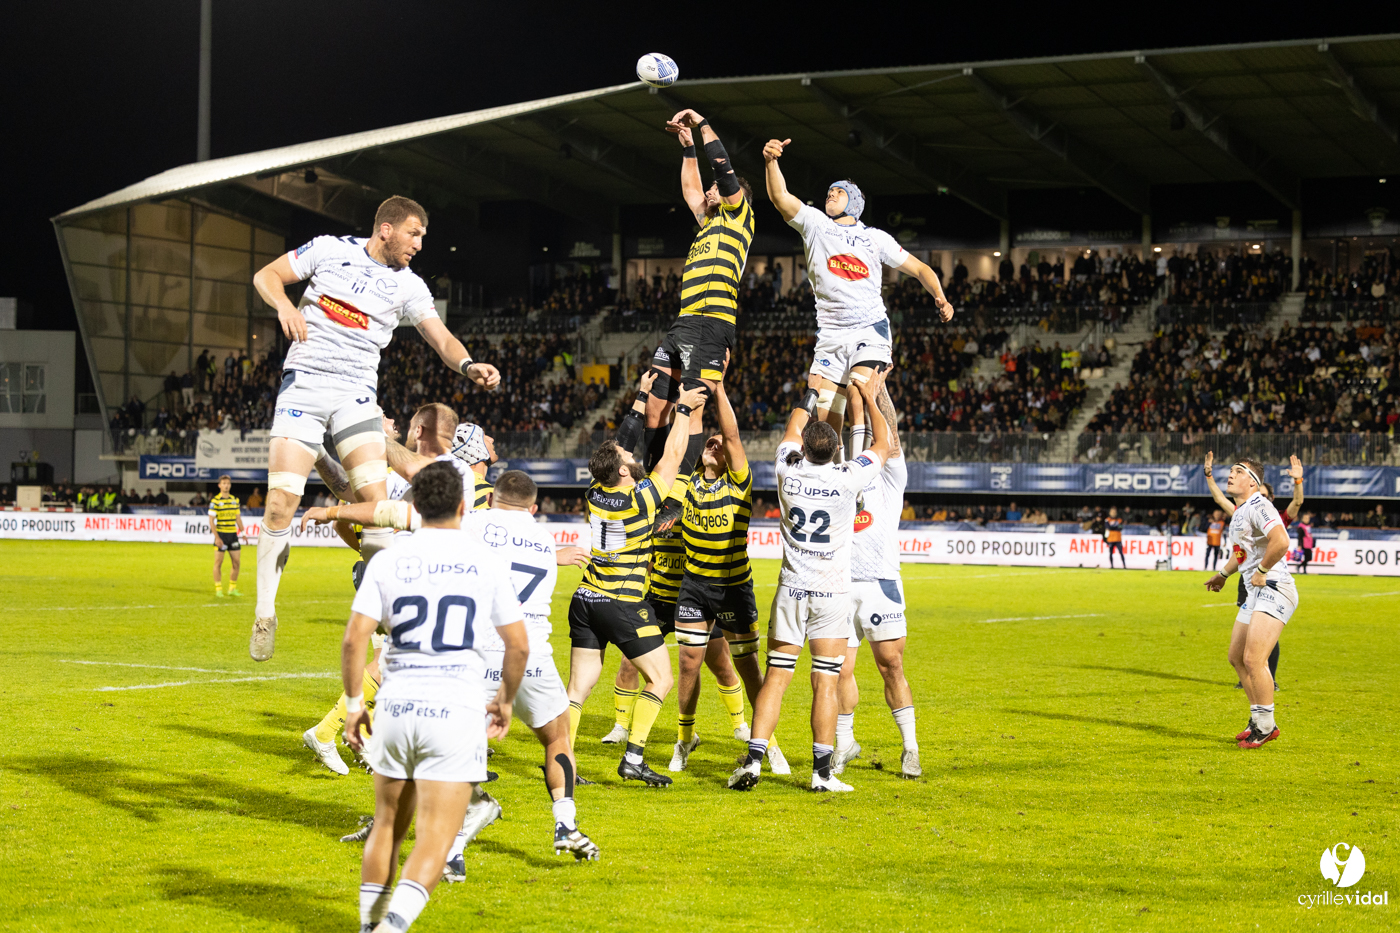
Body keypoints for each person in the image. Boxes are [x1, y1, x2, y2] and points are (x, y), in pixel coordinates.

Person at [248, 195, 500, 663]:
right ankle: (265, 613)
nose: (419, 245)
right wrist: (284, 306)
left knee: (377, 509)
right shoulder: (327, 249)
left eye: (422, 236)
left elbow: (440, 337)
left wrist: (467, 365)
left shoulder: (409, 287)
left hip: (356, 396)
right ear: (385, 229)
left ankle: (389, 620)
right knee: (282, 500)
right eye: (414, 234)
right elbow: (266, 276)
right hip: (304, 385)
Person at [340, 462, 528, 933]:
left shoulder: (387, 560)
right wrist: (504, 701)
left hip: (397, 708)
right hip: (456, 711)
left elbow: (352, 640)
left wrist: (352, 704)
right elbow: (519, 645)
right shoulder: (483, 560)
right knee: (437, 838)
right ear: (464, 506)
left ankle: (369, 925)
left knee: (387, 826)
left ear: (414, 507)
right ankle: (392, 926)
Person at [729, 368, 892, 793]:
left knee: (777, 676)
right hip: (831, 594)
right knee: (826, 680)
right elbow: (884, 445)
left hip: (792, 589)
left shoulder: (788, 470)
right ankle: (821, 774)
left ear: (803, 449)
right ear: (837, 449)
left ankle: (753, 761)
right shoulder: (846, 476)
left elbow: (792, 425)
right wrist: (870, 396)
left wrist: (812, 392)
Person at [762, 136, 951, 460]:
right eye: (829, 191)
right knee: (826, 423)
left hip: (869, 328)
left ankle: (863, 479)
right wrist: (771, 162)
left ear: (853, 202)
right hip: (831, 336)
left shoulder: (874, 238)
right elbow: (780, 196)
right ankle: (837, 482)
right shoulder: (816, 224)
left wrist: (941, 297)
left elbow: (920, 268)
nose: (830, 194)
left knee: (860, 392)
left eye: (838, 191)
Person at [448, 470, 598, 867]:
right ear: (533, 508)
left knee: (456, 753)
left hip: (477, 653)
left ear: (491, 498)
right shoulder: (543, 538)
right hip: (531, 654)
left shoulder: (472, 522)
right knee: (557, 738)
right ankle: (565, 823)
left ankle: (453, 848)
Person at [565, 383, 709, 786]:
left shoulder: (595, 492)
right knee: (661, 679)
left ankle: (564, 761)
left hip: (586, 597)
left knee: (578, 688)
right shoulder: (641, 500)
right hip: (622, 603)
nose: (634, 455)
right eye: (629, 457)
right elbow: (674, 455)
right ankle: (633, 757)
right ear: (625, 472)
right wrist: (682, 409)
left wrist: (641, 398)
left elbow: (617, 451)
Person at [670, 373, 783, 773]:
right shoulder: (685, 486)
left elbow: (732, 438)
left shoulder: (739, 484)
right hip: (696, 586)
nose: (714, 444)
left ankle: (766, 742)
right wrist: (687, 405)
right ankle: (685, 739)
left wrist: (719, 391)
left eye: (719, 444)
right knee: (688, 661)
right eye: (709, 443)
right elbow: (682, 443)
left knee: (748, 666)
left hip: (734, 586)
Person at [642, 110, 755, 473]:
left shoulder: (739, 217)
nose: (709, 189)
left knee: (690, 406)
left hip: (712, 323)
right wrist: (688, 148)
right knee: (657, 402)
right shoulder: (707, 223)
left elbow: (721, 167)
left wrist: (703, 124)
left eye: (715, 188)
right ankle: (653, 469)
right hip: (685, 321)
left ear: (731, 195)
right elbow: (691, 189)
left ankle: (677, 493)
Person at [834, 380, 920, 779]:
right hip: (841, 586)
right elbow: (837, 435)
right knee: (838, 670)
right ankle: (844, 745)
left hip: (881, 582)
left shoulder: (890, 477)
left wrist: (875, 392)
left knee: (891, 665)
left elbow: (893, 437)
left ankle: (910, 748)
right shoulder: (843, 474)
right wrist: (844, 393)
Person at [1202, 457, 1299, 749]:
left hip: (1274, 587)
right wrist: (1223, 575)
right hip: (1255, 591)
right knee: (1236, 657)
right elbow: (1243, 553)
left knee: (1254, 660)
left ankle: (1267, 726)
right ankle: (1258, 719)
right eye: (1231, 470)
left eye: (1238, 472)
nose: (1230, 475)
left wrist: (1261, 571)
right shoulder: (1243, 510)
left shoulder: (1260, 505)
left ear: (1253, 482)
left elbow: (1281, 541)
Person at [208, 475, 244, 598]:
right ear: (219, 485)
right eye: (223, 483)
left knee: (236, 562)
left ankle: (232, 588)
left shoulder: (235, 500)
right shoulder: (215, 501)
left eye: (228, 483)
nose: (226, 485)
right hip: (221, 535)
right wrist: (217, 538)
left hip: (233, 535)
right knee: (218, 562)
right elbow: (211, 521)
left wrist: (243, 533)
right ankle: (218, 589)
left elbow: (238, 518)